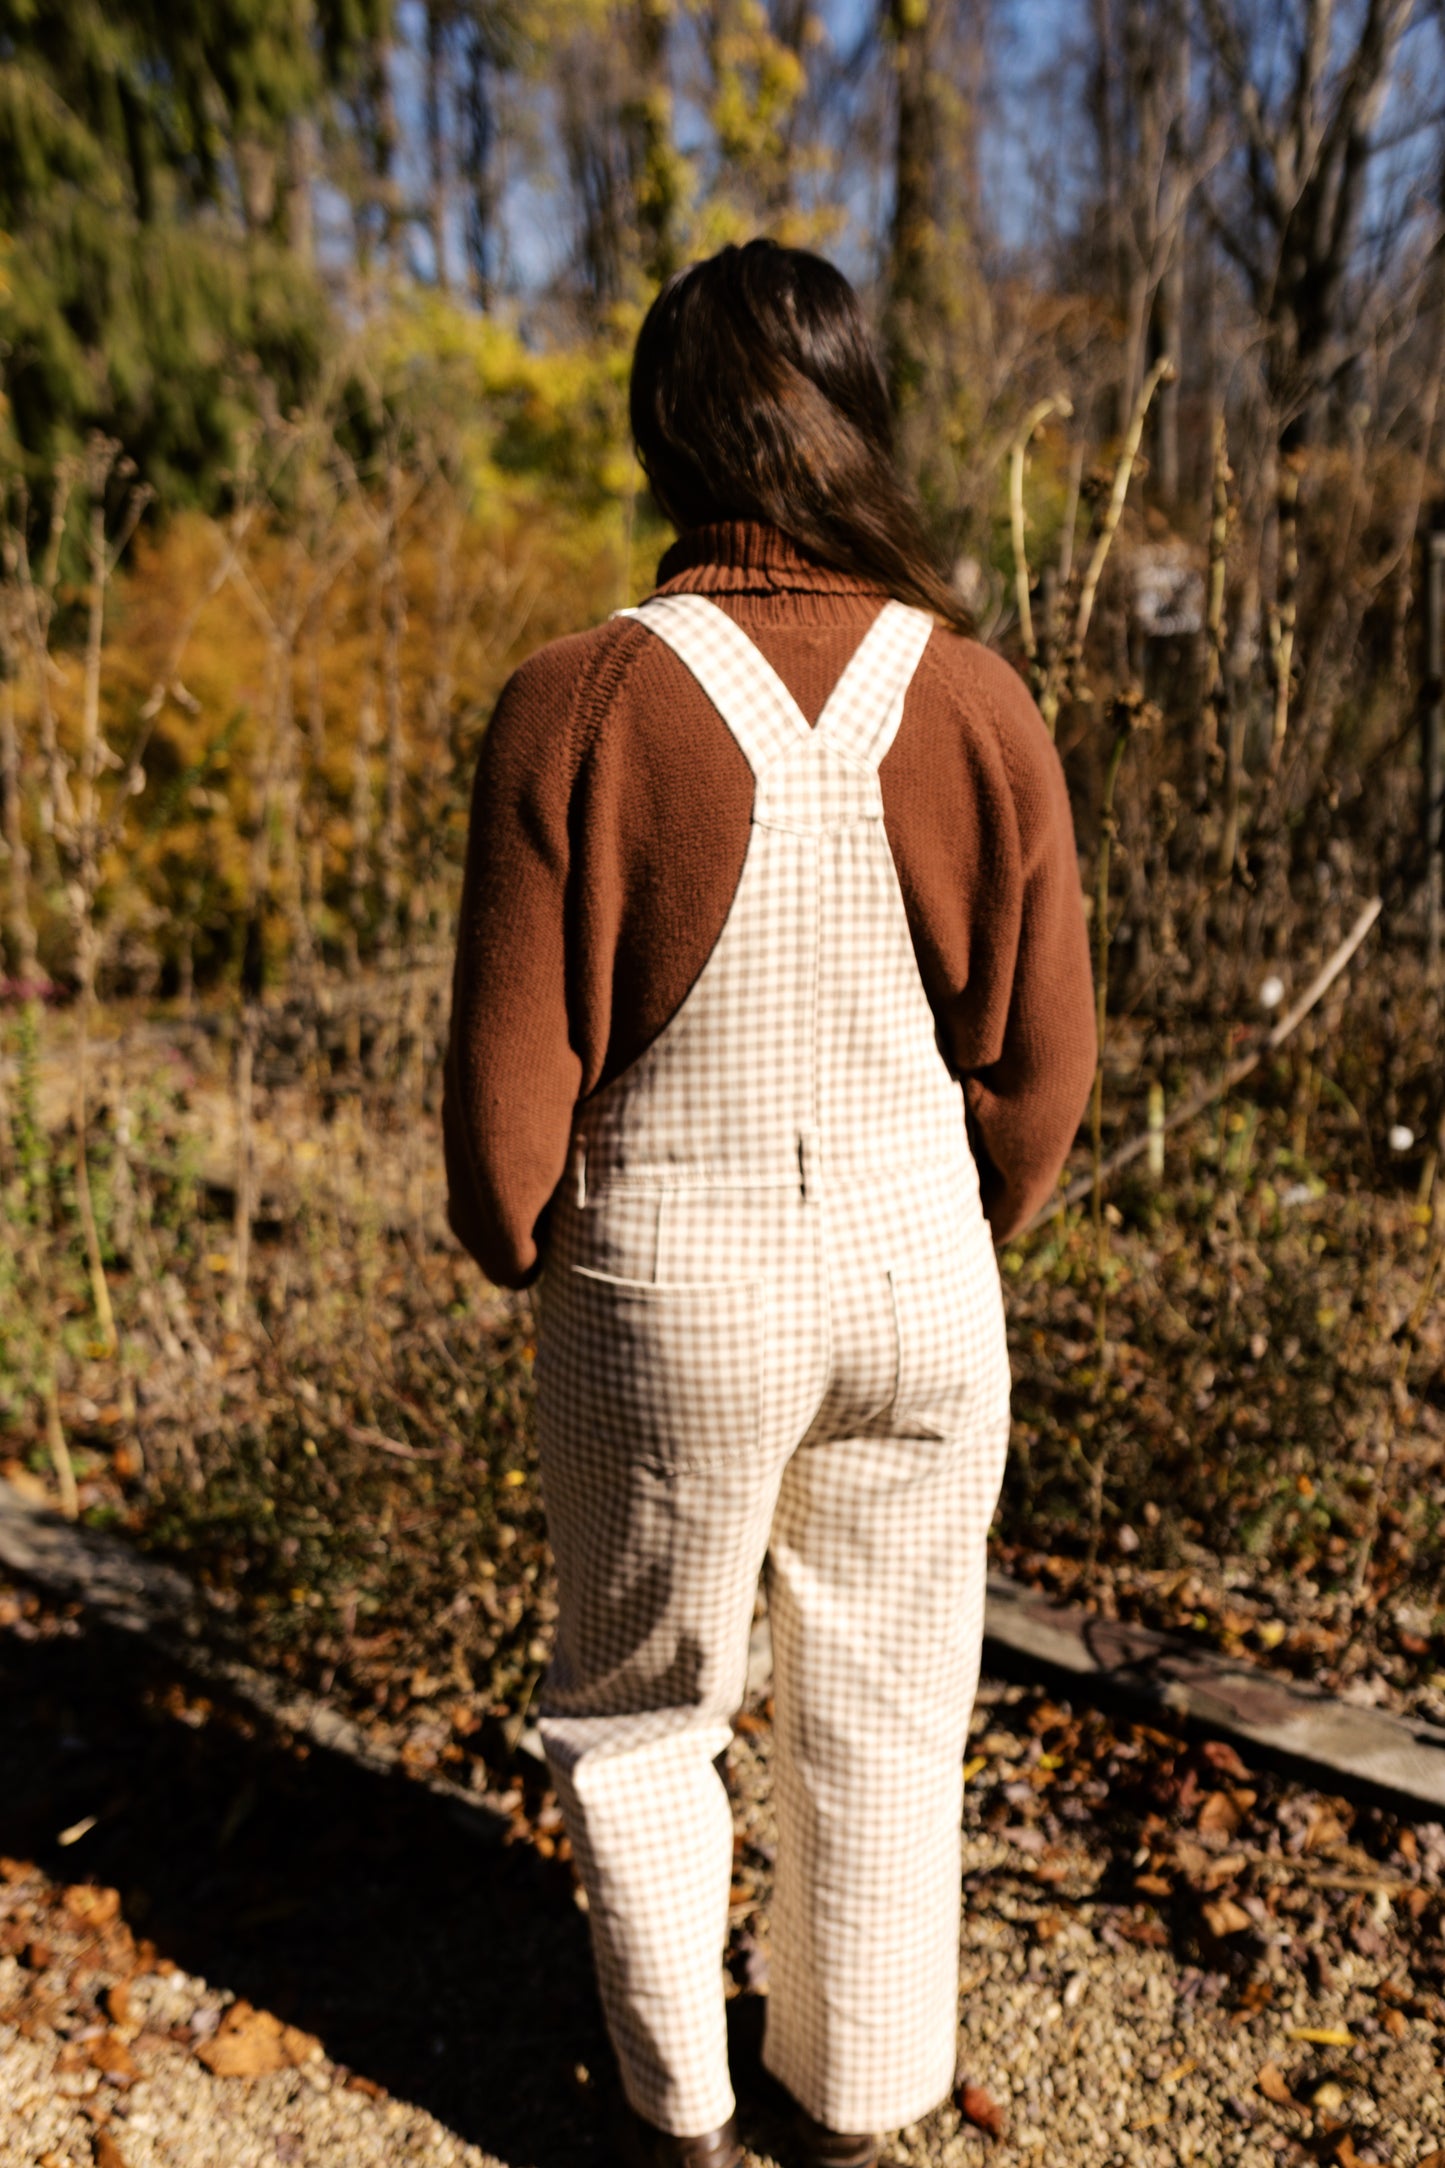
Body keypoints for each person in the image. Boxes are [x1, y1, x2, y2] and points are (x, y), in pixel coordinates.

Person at [444, 239, 1095, 2168]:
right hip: (919, 1273)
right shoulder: (980, 700)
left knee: (646, 1716)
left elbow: (505, 1108)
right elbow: (1045, 1066)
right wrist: (972, 1215)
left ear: (667, 439)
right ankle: (860, 2106)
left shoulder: (573, 702)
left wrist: (517, 1242)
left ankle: (682, 2126)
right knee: (889, 1711)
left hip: (670, 1286)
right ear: (854, 422)